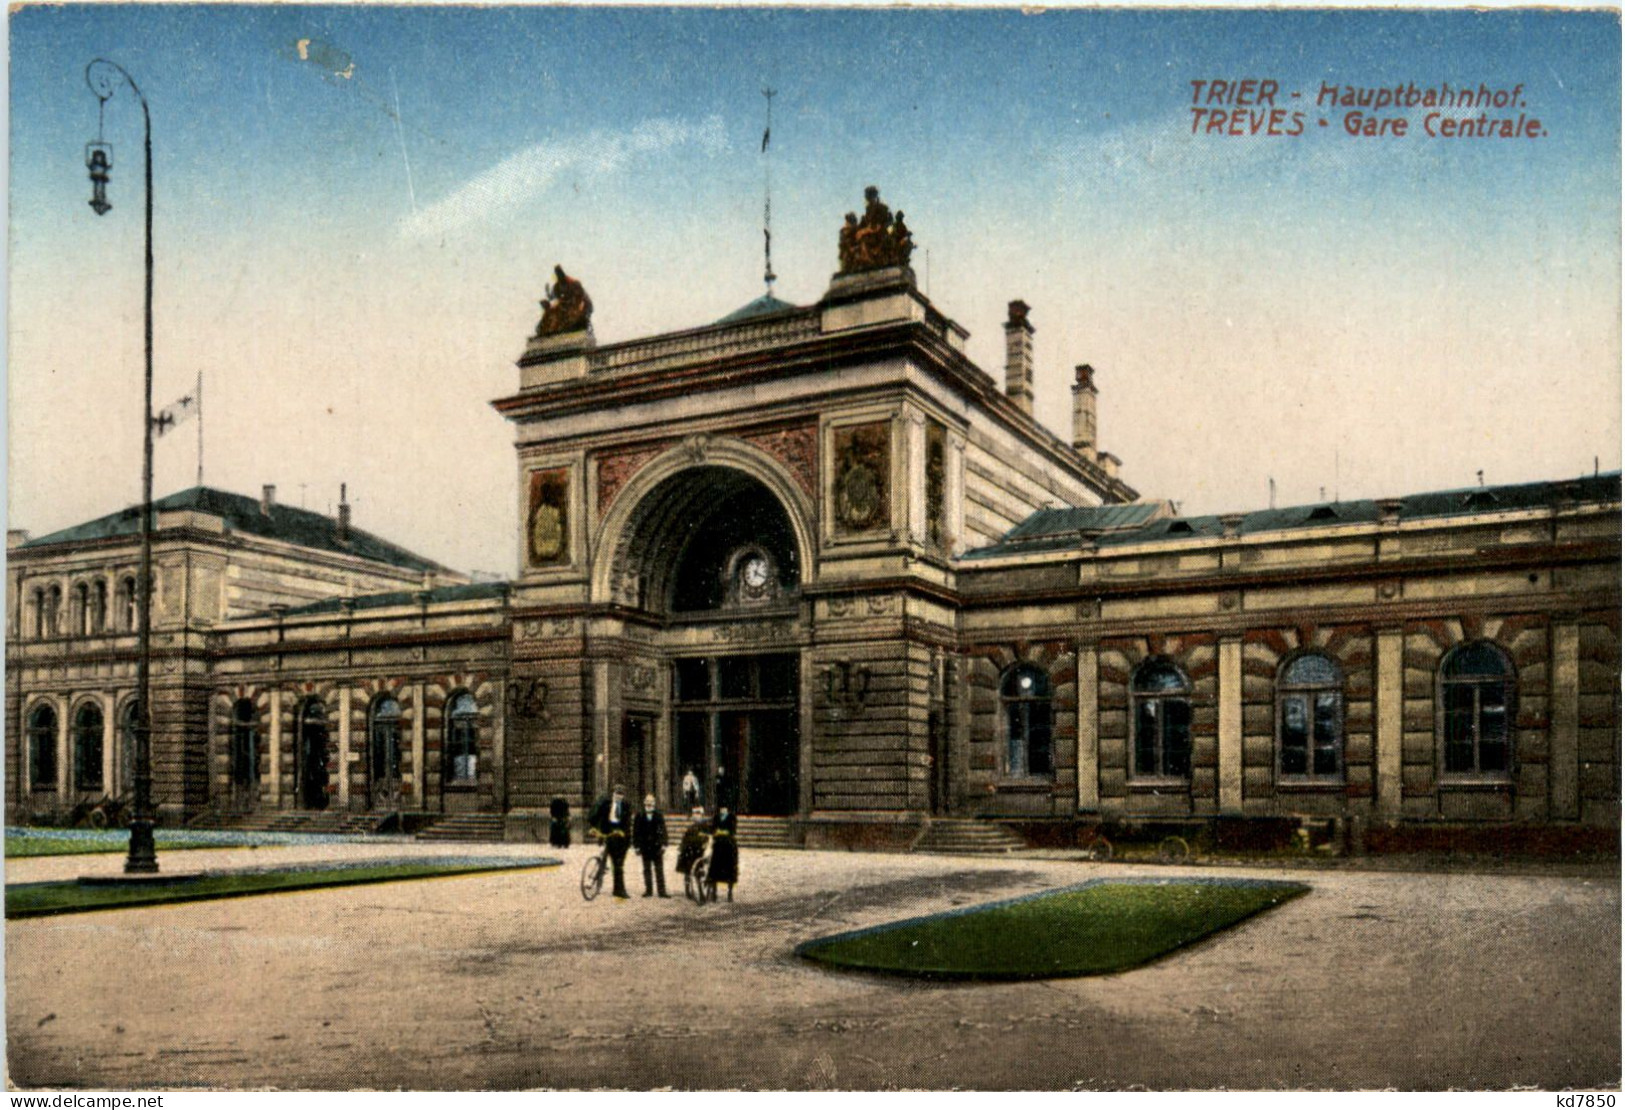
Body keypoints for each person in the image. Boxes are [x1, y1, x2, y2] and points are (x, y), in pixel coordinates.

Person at [588, 784, 633, 899]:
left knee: (618, 865)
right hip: (607, 833)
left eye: (621, 795)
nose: (619, 797)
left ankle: (619, 890)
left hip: (621, 837)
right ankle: (596, 876)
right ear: (613, 794)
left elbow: (627, 823)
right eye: (617, 794)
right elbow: (595, 816)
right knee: (603, 857)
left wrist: (622, 832)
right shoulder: (605, 803)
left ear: (623, 796)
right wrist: (593, 827)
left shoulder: (626, 806)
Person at [632, 793, 670, 898]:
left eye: (651, 801)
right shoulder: (639, 815)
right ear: (644, 802)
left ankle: (662, 892)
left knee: (659, 869)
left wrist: (664, 844)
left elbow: (664, 831)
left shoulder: (659, 815)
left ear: (654, 803)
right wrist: (636, 846)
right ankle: (648, 891)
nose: (649, 803)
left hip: (657, 847)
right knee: (646, 869)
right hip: (645, 847)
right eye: (647, 801)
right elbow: (636, 832)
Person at [707, 804, 739, 903]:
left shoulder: (732, 817)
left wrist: (723, 832)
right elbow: (712, 829)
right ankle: (714, 893)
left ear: (727, 809)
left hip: (729, 846)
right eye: (721, 808)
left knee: (730, 869)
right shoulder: (716, 818)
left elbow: (733, 830)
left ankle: (730, 893)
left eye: (725, 808)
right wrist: (717, 833)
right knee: (715, 869)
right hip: (718, 846)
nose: (723, 810)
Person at [675, 806, 709, 883]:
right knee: (685, 854)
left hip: (703, 849)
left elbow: (709, 837)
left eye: (698, 814)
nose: (696, 816)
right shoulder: (691, 828)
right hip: (692, 849)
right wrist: (681, 847)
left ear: (702, 815)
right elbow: (685, 839)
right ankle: (687, 874)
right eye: (694, 814)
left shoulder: (706, 827)